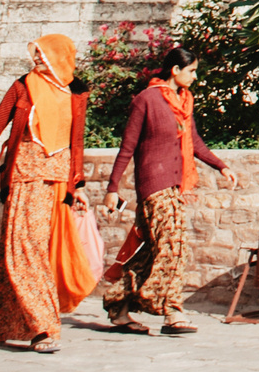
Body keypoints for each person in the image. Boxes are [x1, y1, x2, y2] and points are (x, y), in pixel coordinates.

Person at [0, 33, 90, 352]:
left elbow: (75, 141)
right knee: (23, 249)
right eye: (36, 54)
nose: (37, 59)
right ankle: (44, 326)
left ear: (60, 57)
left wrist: (77, 185)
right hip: (24, 178)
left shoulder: (76, 93)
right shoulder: (24, 86)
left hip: (55, 184)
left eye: (44, 54)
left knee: (24, 252)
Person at [99, 44, 239, 334]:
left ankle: (120, 307)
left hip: (174, 186)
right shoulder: (146, 101)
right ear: (175, 70)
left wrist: (221, 166)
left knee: (149, 252)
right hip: (154, 186)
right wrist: (112, 187)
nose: (195, 77)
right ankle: (171, 312)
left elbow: (195, 142)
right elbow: (127, 147)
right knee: (176, 247)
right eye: (192, 71)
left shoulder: (184, 101)